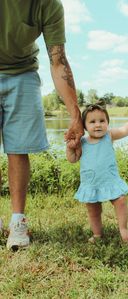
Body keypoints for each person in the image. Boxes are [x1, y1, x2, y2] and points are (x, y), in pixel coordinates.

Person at [0, 0, 84, 250]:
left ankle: (18, 223)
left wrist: (75, 114)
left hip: (22, 73)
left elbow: (58, 61)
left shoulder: (48, 5)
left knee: (18, 148)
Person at [67, 101, 128, 243]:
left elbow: (125, 130)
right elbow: (72, 159)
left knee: (120, 201)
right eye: (92, 122)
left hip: (110, 181)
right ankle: (97, 234)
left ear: (107, 123)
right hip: (91, 183)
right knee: (93, 210)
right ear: (84, 126)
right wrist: (70, 147)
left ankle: (123, 229)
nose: (98, 125)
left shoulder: (109, 136)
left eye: (102, 121)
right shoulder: (82, 142)